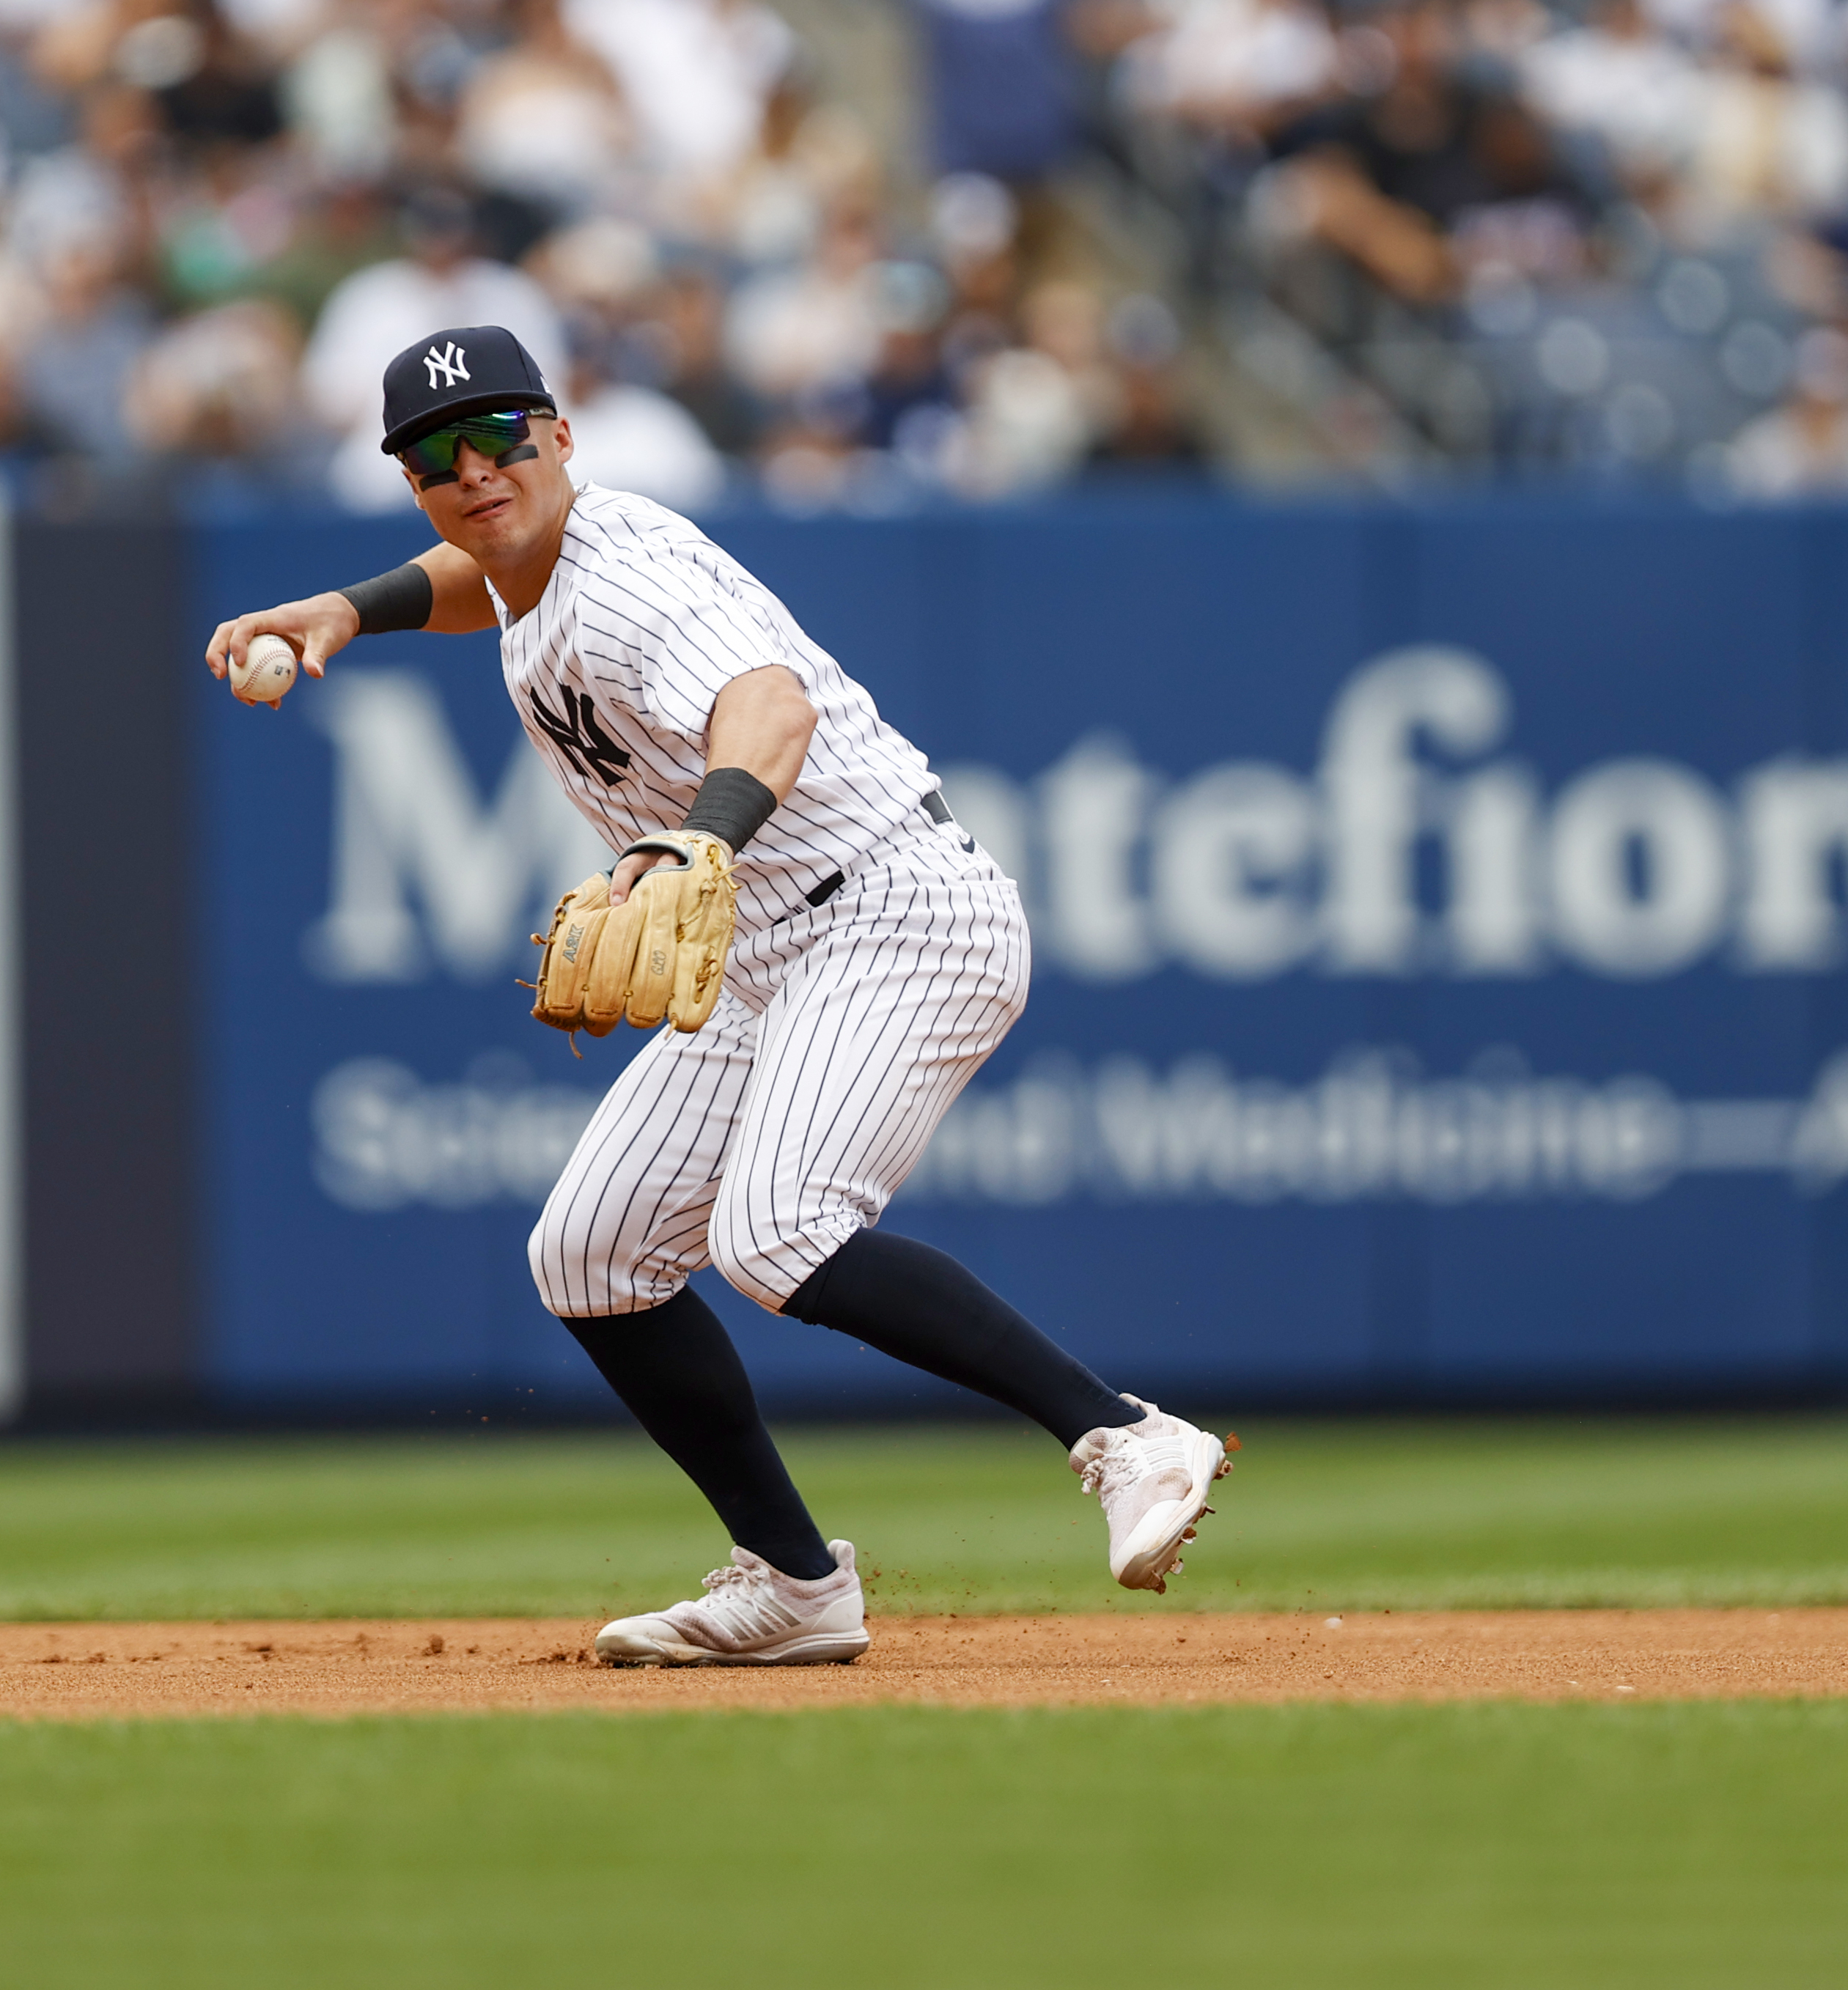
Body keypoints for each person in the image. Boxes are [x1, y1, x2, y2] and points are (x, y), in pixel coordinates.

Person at [203, 325, 1232, 1667]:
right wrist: (351, 607)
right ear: (413, 481)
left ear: (562, 434)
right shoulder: (536, 561)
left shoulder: (626, 576)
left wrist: (703, 836)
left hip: (890, 906)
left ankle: (1126, 1435)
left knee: (779, 1232)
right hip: (770, 947)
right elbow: (490, 576)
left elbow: (770, 708)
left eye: (504, 434)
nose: (478, 470)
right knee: (591, 1256)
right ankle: (796, 1586)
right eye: (440, 455)